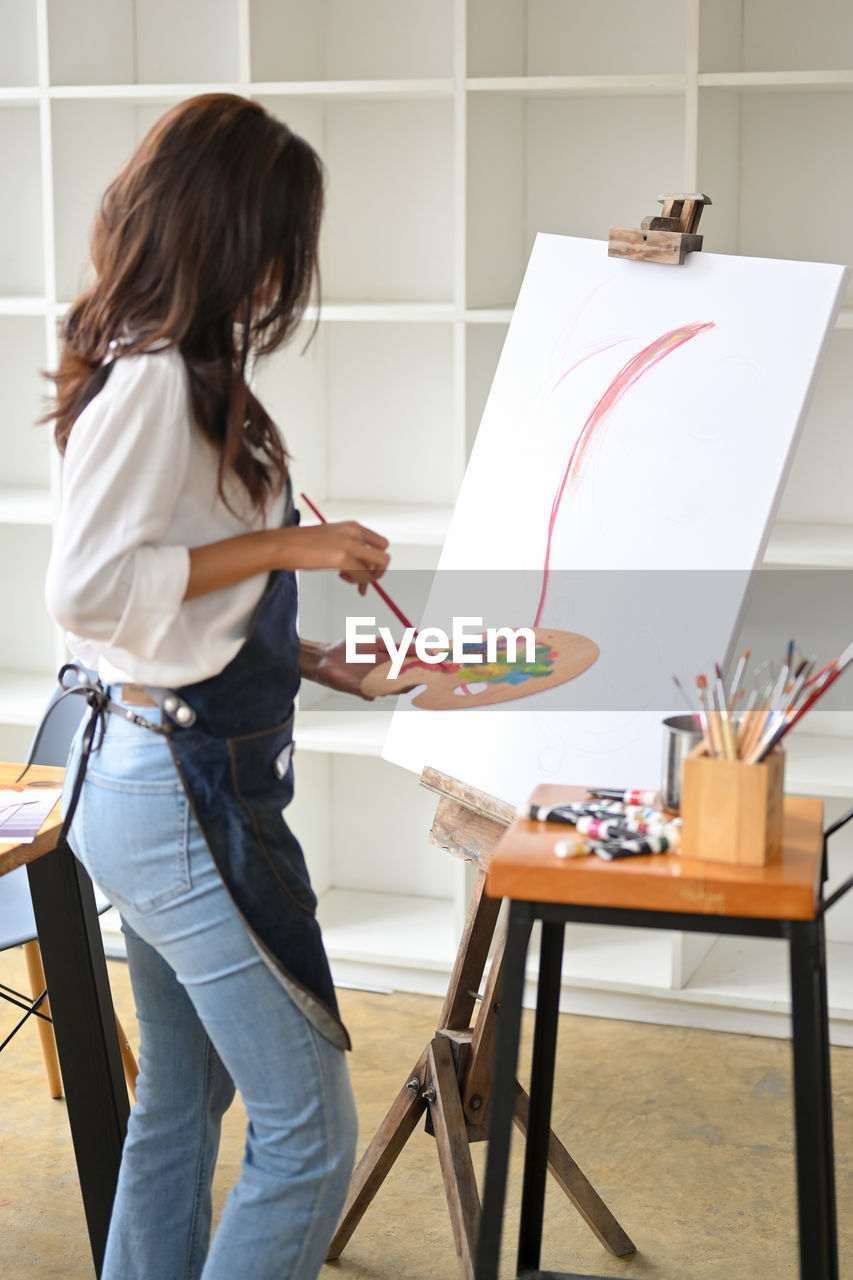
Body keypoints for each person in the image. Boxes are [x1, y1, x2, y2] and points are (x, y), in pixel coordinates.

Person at [41, 93, 393, 1280]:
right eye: (284, 236)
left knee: (181, 1100)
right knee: (308, 1131)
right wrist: (298, 546)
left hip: (161, 768)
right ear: (229, 229)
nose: (291, 269)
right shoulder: (151, 378)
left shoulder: (179, 366)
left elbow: (175, 593)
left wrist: (301, 653)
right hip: (173, 785)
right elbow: (90, 593)